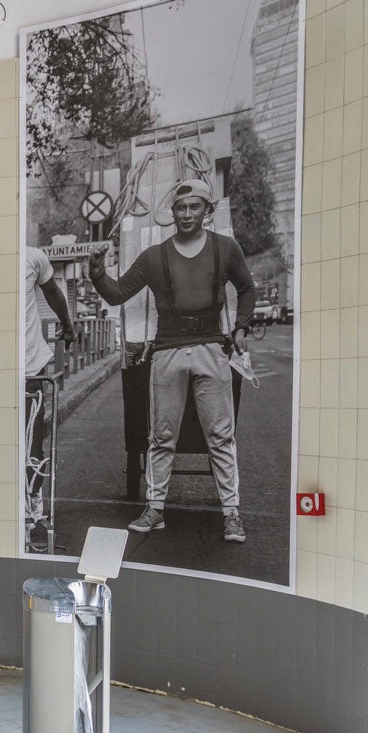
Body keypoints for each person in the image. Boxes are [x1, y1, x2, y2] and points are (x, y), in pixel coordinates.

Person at [87, 178, 254, 543]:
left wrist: (240, 328)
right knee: (161, 436)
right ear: (171, 214)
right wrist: (97, 271)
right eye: (181, 208)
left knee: (221, 436)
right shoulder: (154, 257)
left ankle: (231, 514)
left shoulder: (225, 248)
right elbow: (116, 294)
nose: (187, 213)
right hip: (166, 352)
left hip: (212, 348)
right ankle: (155, 509)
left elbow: (247, 288)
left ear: (207, 210)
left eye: (195, 206)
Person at [24, 246, 76, 542]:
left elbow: (53, 293)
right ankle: (21, 508)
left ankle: (33, 509)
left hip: (29, 367)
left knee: (32, 442)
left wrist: (67, 325)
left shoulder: (33, 257)